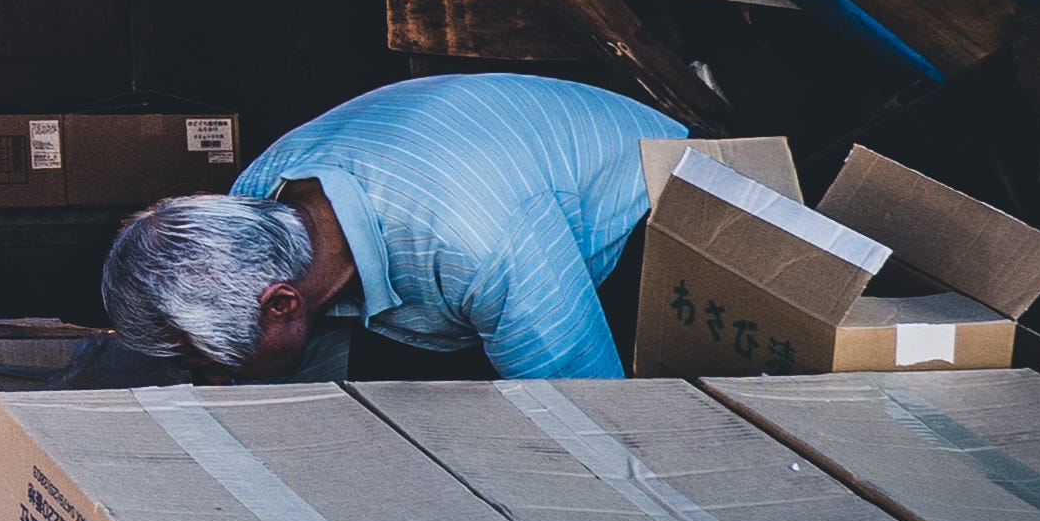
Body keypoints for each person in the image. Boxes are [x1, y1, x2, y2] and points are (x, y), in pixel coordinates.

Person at [98, 74, 690, 382]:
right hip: (471, 195)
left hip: (654, 198)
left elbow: (591, 415)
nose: (209, 382)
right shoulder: (256, 197)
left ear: (280, 304)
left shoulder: (474, 245)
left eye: (209, 367)